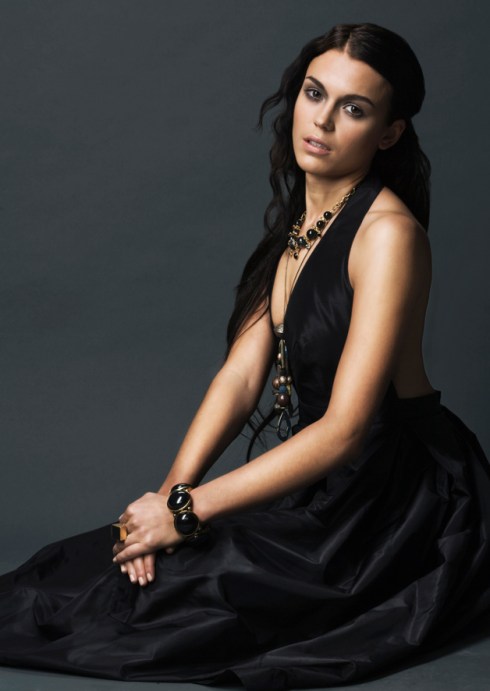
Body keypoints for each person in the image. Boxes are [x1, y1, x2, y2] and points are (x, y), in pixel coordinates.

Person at [0, 21, 489, 691]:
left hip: (396, 501)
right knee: (90, 568)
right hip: (320, 481)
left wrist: (186, 512)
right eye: (314, 93)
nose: (322, 120)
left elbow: (347, 430)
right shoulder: (302, 224)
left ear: (389, 133)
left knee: (180, 605)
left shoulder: (388, 235)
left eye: (353, 108)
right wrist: (167, 499)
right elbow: (240, 374)